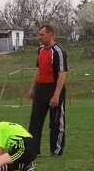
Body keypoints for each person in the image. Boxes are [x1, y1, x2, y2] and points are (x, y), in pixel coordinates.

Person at [27, 24, 68, 156]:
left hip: (54, 88)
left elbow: (62, 74)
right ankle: (34, 151)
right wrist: (32, 89)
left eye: (42, 34)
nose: (39, 37)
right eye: (39, 34)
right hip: (41, 90)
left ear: (51, 34)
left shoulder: (58, 51)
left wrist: (56, 96)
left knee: (56, 123)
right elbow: (39, 70)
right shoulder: (40, 50)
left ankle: (56, 150)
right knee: (35, 122)